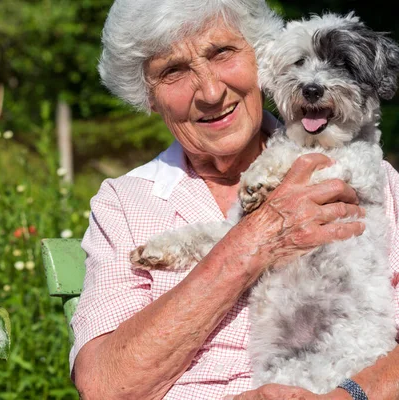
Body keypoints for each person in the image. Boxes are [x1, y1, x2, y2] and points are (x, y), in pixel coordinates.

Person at [69, 0, 399, 399]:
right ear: (149, 97)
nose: (210, 92)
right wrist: (254, 240)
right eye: (173, 71)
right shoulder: (124, 205)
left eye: (222, 53)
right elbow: (105, 385)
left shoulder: (377, 181)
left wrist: (349, 395)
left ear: (262, 59)